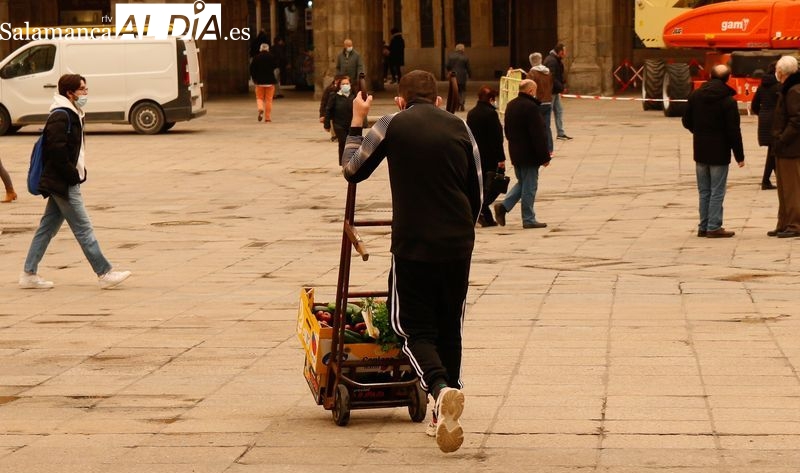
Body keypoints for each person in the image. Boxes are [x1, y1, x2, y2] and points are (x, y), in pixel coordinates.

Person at [341, 70, 481, 453]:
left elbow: (352, 169)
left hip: (414, 244)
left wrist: (357, 120)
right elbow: (477, 190)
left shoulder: (392, 123)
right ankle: (444, 412)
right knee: (449, 325)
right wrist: (462, 231)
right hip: (458, 244)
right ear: (437, 100)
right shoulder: (461, 128)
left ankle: (439, 388)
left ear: (400, 100)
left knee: (411, 328)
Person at [20, 74, 131, 290]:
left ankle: (28, 273)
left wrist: (79, 170)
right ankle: (104, 272)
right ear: (70, 93)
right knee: (83, 228)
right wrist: (72, 175)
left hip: (63, 180)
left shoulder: (72, 112)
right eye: (82, 89)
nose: (86, 93)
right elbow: (56, 151)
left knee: (47, 228)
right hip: (63, 183)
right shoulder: (61, 115)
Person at [682, 64, 745, 238]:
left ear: (710, 76)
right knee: (717, 191)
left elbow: (686, 121)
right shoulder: (728, 101)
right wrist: (739, 156)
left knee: (704, 191)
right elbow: (733, 131)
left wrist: (699, 132)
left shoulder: (695, 95)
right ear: (728, 78)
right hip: (719, 151)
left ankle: (703, 226)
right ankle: (713, 226)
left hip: (700, 150)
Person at [493, 79, 551, 229]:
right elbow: (538, 135)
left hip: (516, 152)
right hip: (529, 154)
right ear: (531, 91)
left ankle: (503, 207)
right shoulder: (531, 107)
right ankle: (528, 218)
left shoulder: (511, 105)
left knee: (523, 183)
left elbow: (507, 130)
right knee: (530, 187)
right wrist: (544, 157)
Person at [466, 86, 506, 227]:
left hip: (476, 154)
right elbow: (496, 138)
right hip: (490, 156)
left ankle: (485, 216)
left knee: (481, 185)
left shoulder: (472, 113)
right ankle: (481, 208)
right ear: (491, 99)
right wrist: (501, 158)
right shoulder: (491, 114)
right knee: (494, 185)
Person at [770, 55, 800, 238]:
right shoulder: (788, 88)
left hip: (791, 147)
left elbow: (796, 120)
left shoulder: (794, 90)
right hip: (784, 148)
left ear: (781, 72)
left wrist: (782, 139)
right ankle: (783, 223)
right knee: (783, 189)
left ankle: (795, 224)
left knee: (792, 189)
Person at [752, 64, 779, 190]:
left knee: (773, 150)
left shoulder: (762, 86)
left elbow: (754, 105)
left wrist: (763, 114)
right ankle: (766, 181)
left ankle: (772, 180)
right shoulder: (778, 87)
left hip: (764, 120)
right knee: (773, 151)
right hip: (776, 120)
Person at [543, 43, 572, 140]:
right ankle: (546, 132)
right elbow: (552, 78)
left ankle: (560, 133)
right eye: (564, 52)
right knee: (548, 111)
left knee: (559, 110)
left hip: (555, 91)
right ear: (560, 52)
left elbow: (558, 75)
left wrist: (562, 84)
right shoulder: (552, 61)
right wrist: (561, 88)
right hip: (551, 91)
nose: (565, 54)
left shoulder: (556, 60)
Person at [527, 52, 554, 155]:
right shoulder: (548, 72)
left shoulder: (532, 73)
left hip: (537, 102)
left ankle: (538, 148)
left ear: (531, 62)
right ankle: (549, 149)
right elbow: (551, 85)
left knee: (535, 127)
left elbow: (528, 87)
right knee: (547, 127)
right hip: (548, 101)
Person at [324, 75, 355, 162]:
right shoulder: (334, 96)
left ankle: (352, 161)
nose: (345, 85)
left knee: (352, 144)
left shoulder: (354, 96)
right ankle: (343, 162)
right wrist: (327, 124)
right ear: (339, 85)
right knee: (343, 142)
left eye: (347, 84)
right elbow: (328, 110)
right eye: (343, 84)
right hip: (339, 124)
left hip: (351, 124)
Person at [249, 43, 277, 122]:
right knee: (269, 100)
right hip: (270, 81)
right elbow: (275, 66)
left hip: (259, 82)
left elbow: (252, 69)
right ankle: (267, 118)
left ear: (260, 49)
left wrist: (254, 78)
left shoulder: (256, 58)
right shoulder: (272, 57)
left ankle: (260, 109)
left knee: (259, 98)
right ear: (268, 49)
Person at [446, 44, 471, 112]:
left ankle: (456, 104)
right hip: (462, 76)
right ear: (463, 49)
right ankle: (462, 103)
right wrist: (470, 75)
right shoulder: (465, 57)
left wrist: (450, 71)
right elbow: (468, 68)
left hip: (453, 76)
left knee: (455, 90)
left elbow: (447, 65)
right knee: (462, 90)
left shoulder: (451, 56)